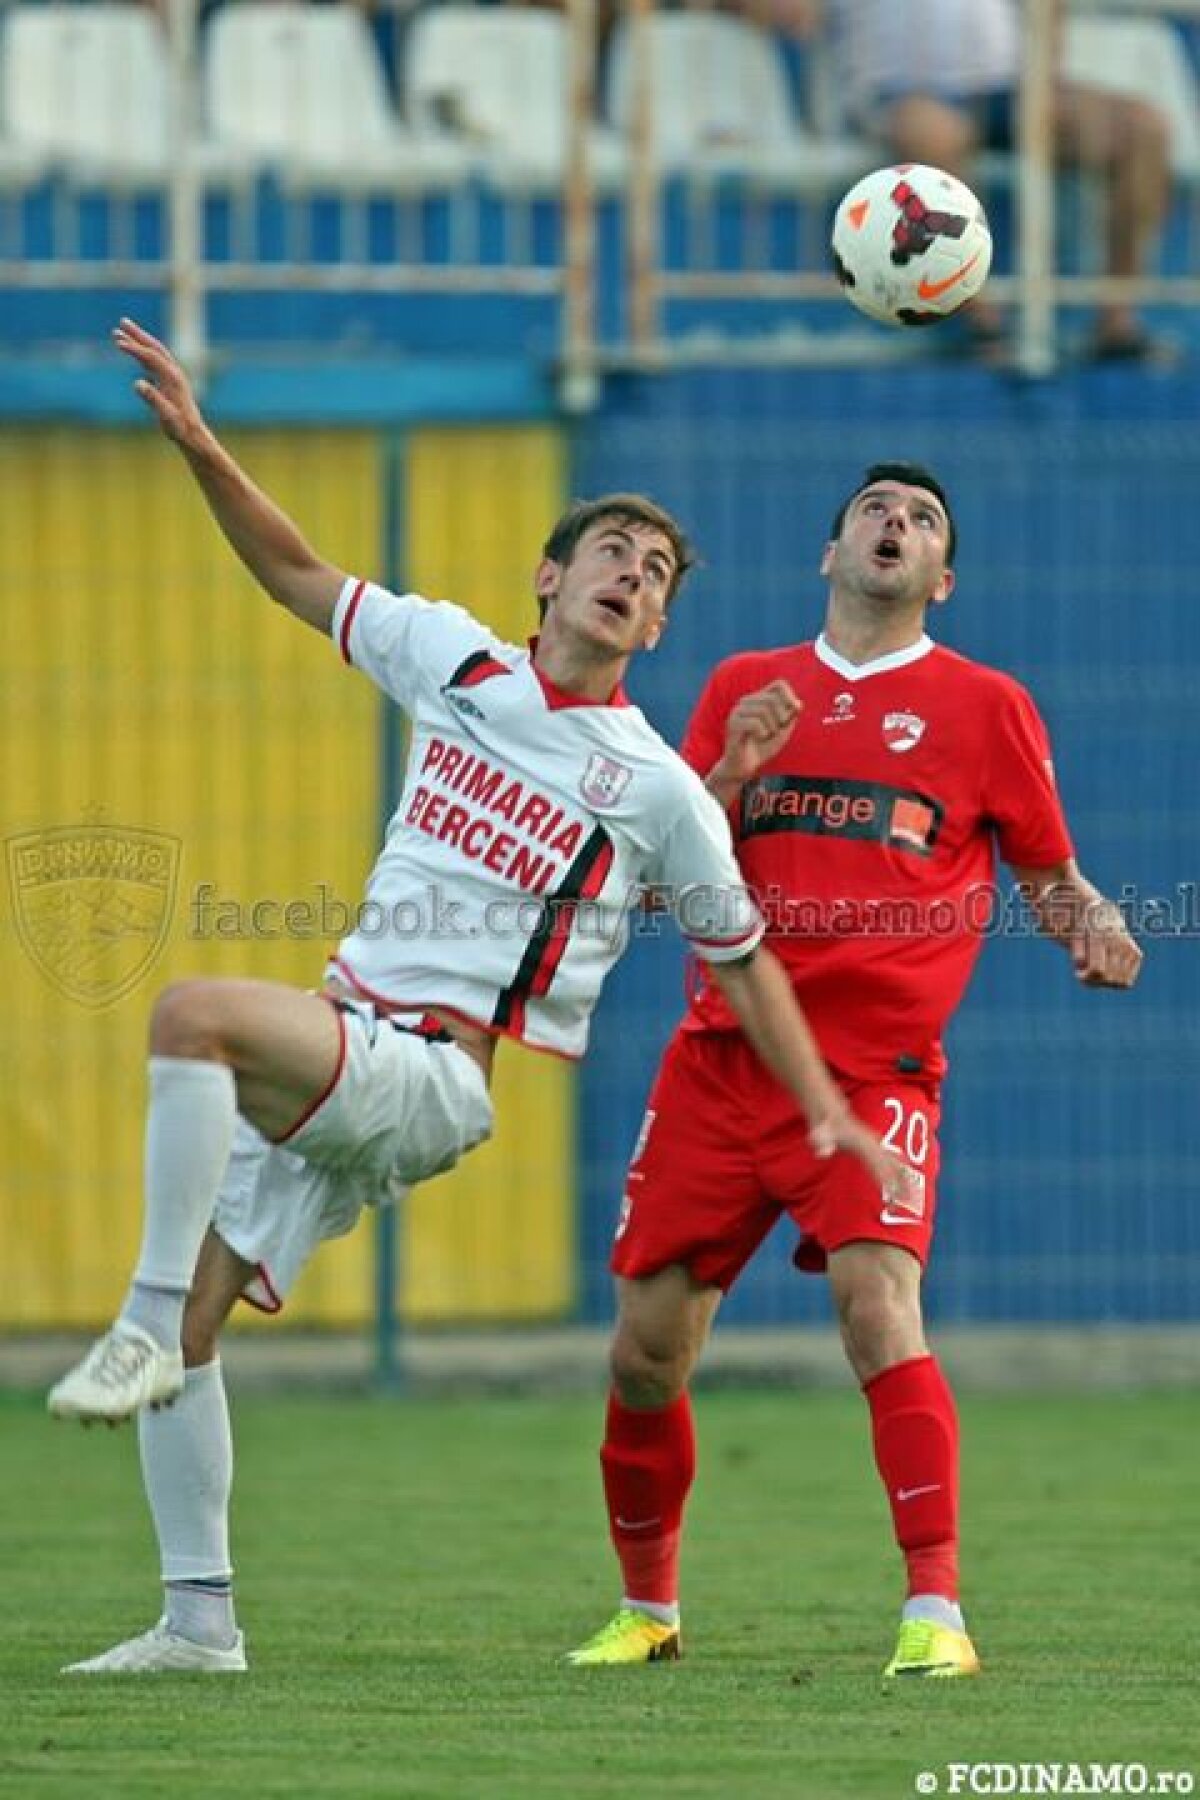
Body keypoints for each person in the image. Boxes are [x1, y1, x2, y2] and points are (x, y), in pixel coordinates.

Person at [46, 317, 907, 1675]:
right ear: (550, 579)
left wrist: (829, 1116)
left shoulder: (658, 787)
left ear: (661, 621)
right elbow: (294, 571)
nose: (635, 576)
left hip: (433, 1079)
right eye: (615, 554)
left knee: (190, 1019)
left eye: (659, 573)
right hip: (348, 1049)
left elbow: (741, 961)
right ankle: (199, 1621)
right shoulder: (454, 661)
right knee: (205, 1337)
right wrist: (203, 444)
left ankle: (140, 1319)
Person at [566, 461, 1142, 1680]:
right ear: (829, 553)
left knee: (878, 1310)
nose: (898, 524)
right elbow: (670, 872)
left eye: (924, 518)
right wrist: (730, 776)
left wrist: (1088, 921)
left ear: (946, 575)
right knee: (645, 1351)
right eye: (876, 511)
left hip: (876, 1076)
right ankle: (648, 1611)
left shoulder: (988, 707)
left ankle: (935, 1612)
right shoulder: (743, 686)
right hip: (725, 1064)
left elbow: (1045, 868)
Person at [832, 0, 1174, 362]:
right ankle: (985, 326)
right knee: (935, 135)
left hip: (1007, 88)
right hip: (897, 90)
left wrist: (1044, 67)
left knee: (1144, 130)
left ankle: (1116, 321)